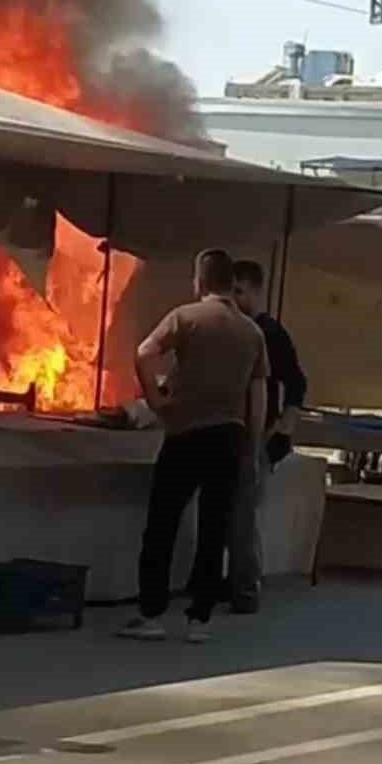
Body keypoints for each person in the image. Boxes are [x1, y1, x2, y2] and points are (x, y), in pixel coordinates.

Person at [119, 247, 268, 644]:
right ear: (230, 282)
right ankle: (199, 619)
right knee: (214, 527)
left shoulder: (185, 317)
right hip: (230, 437)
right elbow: (259, 394)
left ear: (200, 280)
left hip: (186, 434)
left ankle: (151, 614)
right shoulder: (252, 332)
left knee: (162, 524)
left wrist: (156, 401)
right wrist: (251, 445)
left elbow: (145, 352)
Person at [227, 259, 308, 613]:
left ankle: (246, 588)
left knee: (243, 514)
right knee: (227, 512)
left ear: (257, 291)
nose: (235, 298)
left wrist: (282, 430)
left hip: (257, 435)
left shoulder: (270, 334)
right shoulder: (228, 330)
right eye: (231, 291)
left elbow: (296, 384)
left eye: (240, 291)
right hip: (228, 431)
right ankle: (227, 580)